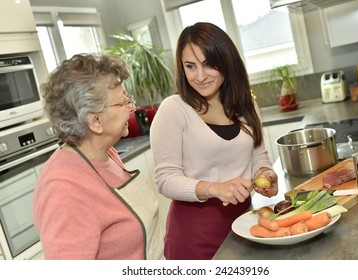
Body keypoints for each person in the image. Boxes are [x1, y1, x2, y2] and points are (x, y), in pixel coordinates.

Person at [150, 22, 278, 260]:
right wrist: (213, 188)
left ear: (226, 61)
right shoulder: (174, 109)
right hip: (194, 236)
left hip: (246, 223)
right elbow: (165, 179)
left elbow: (258, 156)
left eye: (208, 64)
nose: (200, 76)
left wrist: (266, 174)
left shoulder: (246, 105)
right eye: (190, 66)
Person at [33, 53, 164, 260]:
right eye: (123, 103)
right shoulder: (63, 190)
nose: (132, 108)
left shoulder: (105, 153)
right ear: (94, 120)